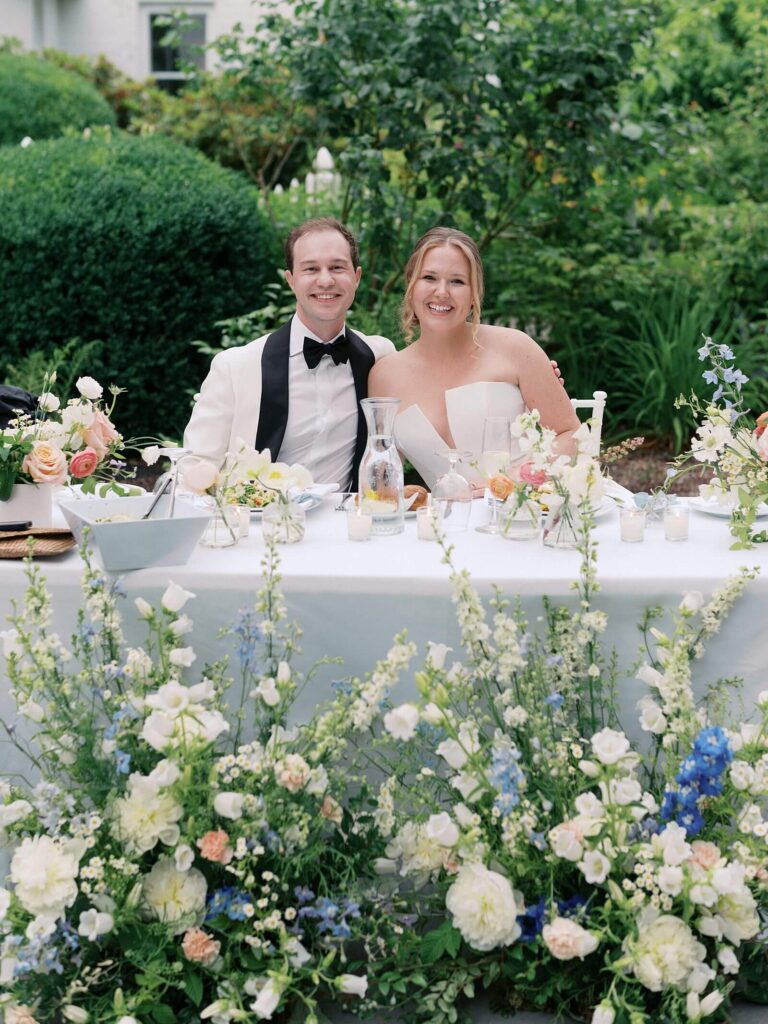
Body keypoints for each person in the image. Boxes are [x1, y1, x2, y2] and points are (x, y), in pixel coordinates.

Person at [183, 217, 396, 489]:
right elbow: (193, 465)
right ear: (291, 280)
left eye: (337, 267)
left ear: (356, 278)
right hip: (262, 526)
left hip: (348, 526)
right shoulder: (235, 368)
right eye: (311, 269)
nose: (325, 280)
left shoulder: (379, 357)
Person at [367, 227, 580, 489]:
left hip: (529, 511)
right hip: (445, 524)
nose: (442, 292)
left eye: (457, 281)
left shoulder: (514, 347)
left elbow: (573, 435)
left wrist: (513, 480)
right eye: (429, 277)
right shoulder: (384, 376)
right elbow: (382, 470)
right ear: (411, 285)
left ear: (474, 293)